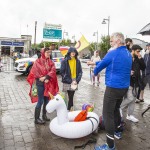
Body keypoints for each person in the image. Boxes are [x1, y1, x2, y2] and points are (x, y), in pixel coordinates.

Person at [87, 32, 132, 150]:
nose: (110, 44)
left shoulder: (113, 53)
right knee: (116, 109)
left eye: (111, 41)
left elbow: (101, 65)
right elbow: (109, 61)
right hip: (124, 88)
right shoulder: (128, 53)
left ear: (117, 41)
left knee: (107, 115)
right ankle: (118, 131)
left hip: (113, 88)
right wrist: (96, 62)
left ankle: (110, 145)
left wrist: (95, 70)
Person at [27, 47, 59, 125]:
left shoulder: (51, 62)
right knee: (40, 101)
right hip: (40, 84)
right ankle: (36, 118)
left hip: (48, 83)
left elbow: (53, 70)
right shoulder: (37, 62)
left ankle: (44, 115)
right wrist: (42, 78)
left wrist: (46, 77)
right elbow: (34, 72)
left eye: (49, 52)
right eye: (47, 52)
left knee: (46, 100)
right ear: (43, 53)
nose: (49, 54)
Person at [120, 45, 145, 123]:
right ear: (133, 50)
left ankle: (129, 115)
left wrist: (140, 58)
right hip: (128, 82)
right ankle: (119, 108)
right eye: (137, 51)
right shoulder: (127, 57)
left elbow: (144, 67)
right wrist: (128, 73)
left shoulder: (138, 59)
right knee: (130, 98)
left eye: (139, 51)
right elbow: (121, 69)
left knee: (133, 100)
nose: (139, 53)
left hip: (137, 82)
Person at [60, 47, 82, 111]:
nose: (73, 53)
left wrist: (77, 80)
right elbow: (62, 72)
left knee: (71, 96)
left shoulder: (77, 61)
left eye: (74, 52)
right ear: (69, 52)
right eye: (72, 52)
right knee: (67, 96)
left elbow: (80, 72)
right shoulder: (65, 61)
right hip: (67, 80)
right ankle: (68, 109)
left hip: (74, 80)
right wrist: (70, 81)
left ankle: (69, 110)